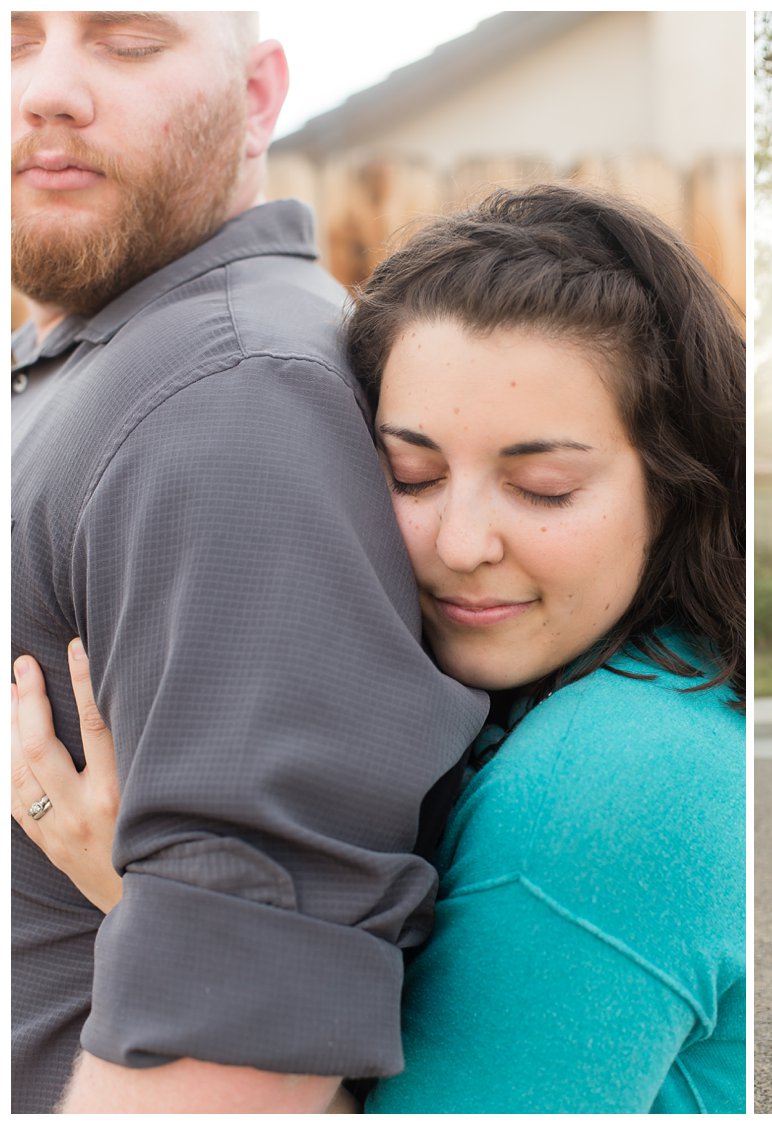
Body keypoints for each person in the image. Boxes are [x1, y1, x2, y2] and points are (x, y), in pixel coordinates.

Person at [14, 182, 748, 1112]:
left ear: (674, 489)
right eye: (412, 474)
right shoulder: (612, 697)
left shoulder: (620, 773)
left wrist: (151, 908)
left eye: (545, 487)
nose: (460, 542)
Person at [11, 11, 487, 1113]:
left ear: (258, 98)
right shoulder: (104, 356)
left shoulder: (230, 394)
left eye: (128, 41)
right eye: (16, 39)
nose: (48, 90)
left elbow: (237, 1048)